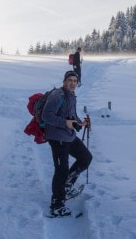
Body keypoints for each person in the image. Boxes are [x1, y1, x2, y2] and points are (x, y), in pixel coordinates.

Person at [42, 70, 92, 217]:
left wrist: (81, 123)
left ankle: (67, 185)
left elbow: (71, 115)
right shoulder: (58, 95)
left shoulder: (71, 96)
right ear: (64, 81)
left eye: (75, 81)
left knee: (85, 158)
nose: (72, 83)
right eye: (69, 80)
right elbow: (46, 116)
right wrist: (66, 123)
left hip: (69, 136)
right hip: (57, 138)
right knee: (61, 171)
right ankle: (57, 206)